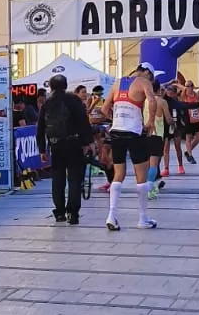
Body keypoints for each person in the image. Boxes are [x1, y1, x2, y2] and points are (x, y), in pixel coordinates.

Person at [100, 65, 156, 231]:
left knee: (119, 174)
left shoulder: (118, 83)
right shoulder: (143, 82)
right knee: (141, 176)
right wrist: (151, 121)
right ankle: (142, 218)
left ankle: (111, 215)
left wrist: (116, 120)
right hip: (134, 132)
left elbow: (104, 109)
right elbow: (152, 100)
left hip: (117, 131)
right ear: (147, 73)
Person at [37, 73, 91, 224]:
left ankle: (59, 212)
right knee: (74, 178)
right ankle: (73, 213)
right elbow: (83, 121)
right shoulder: (73, 100)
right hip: (73, 143)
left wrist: (42, 150)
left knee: (58, 178)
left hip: (55, 145)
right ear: (66, 86)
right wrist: (87, 142)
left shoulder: (47, 103)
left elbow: (40, 128)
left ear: (51, 87)